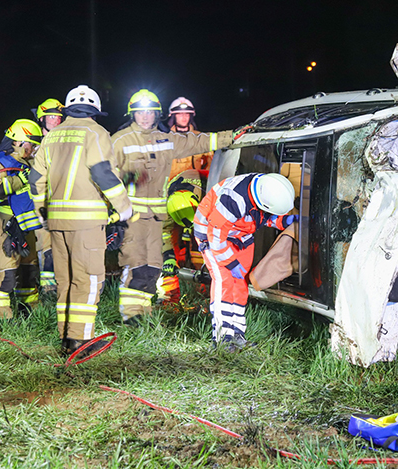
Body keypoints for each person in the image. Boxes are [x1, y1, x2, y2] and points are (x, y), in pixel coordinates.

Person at [111, 90, 232, 325]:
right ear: (132, 114)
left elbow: (204, 143)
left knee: (155, 265)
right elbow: (104, 176)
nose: (145, 117)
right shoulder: (121, 140)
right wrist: (115, 212)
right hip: (136, 216)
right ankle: (134, 315)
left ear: (157, 114)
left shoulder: (166, 139)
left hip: (168, 213)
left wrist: (233, 136)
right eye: (140, 112)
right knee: (137, 263)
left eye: (150, 112)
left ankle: (145, 312)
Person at [29, 85, 132, 356]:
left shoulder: (51, 136)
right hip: (87, 222)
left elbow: (35, 179)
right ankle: (82, 341)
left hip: (56, 222)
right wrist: (123, 207)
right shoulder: (96, 132)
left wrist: (42, 211)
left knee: (65, 281)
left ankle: (66, 338)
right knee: (88, 280)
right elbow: (103, 173)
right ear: (95, 111)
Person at [193, 173, 298, 350]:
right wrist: (231, 263)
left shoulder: (266, 189)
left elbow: (262, 216)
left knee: (240, 284)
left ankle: (237, 334)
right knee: (224, 281)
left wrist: (284, 221)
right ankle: (222, 338)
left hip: (240, 235)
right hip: (212, 237)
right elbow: (216, 236)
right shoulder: (234, 199)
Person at [0, 119, 44, 321]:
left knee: (29, 270)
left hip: (26, 224)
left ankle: (31, 313)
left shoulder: (31, 163)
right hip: (4, 222)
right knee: (6, 270)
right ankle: (2, 320)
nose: (34, 149)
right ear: (18, 142)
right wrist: (22, 179)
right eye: (32, 144)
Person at [158, 169, 208, 305]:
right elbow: (164, 231)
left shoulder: (210, 191)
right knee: (164, 255)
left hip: (206, 208)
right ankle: (169, 297)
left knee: (201, 250)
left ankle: (205, 293)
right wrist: (168, 256)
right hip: (184, 205)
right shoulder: (164, 202)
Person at [30, 98, 64, 296]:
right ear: (41, 119)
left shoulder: (64, 142)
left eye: (58, 117)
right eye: (51, 116)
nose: (56, 120)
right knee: (46, 248)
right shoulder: (36, 145)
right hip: (41, 205)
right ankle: (48, 292)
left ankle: (62, 289)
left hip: (63, 204)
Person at [166, 97, 214, 179]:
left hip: (193, 185)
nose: (184, 117)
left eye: (187, 114)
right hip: (169, 185)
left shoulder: (201, 139)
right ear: (173, 116)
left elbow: (211, 166)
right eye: (180, 114)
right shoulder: (164, 139)